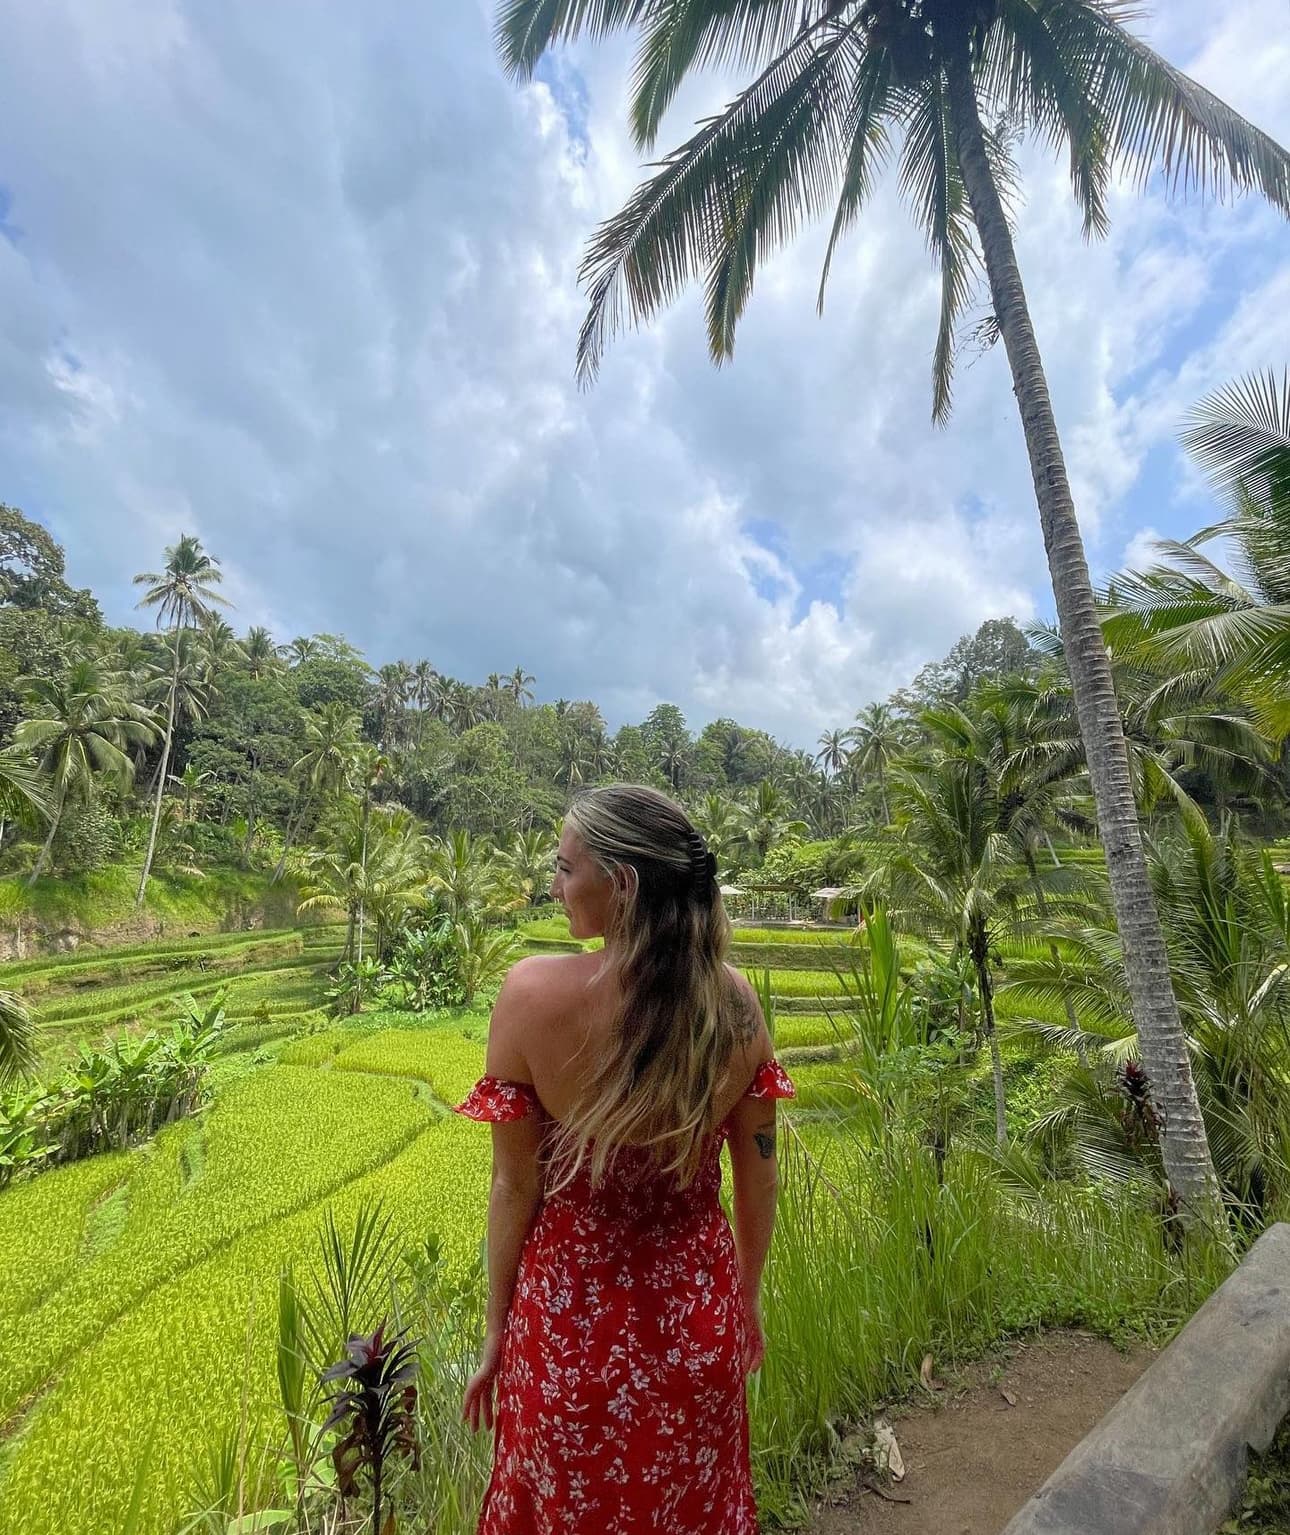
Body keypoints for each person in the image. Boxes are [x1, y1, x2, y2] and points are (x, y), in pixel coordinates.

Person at [452, 783, 795, 1534]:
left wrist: (496, 1329)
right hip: (696, 1322)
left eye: (565, 867)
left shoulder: (530, 995)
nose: (554, 885)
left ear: (624, 883)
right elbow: (759, 1173)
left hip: (568, 1330)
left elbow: (514, 1186)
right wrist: (745, 1301)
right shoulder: (734, 1005)